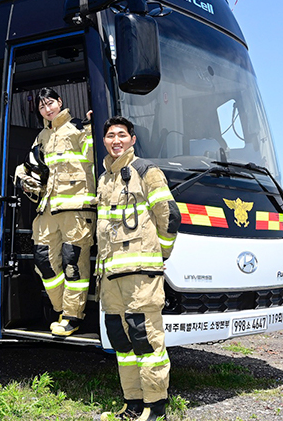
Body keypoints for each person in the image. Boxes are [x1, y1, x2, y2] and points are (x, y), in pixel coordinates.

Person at [97, 116, 181, 421]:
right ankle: (132, 405)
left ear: (132, 139)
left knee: (146, 340)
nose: (115, 140)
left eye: (121, 135)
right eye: (109, 136)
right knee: (121, 342)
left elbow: (169, 216)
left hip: (141, 275)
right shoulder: (104, 179)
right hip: (110, 278)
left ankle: (155, 407)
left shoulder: (147, 172)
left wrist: (161, 253)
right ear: (104, 141)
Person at [14, 88, 96, 336]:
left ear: (60, 102)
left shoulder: (80, 128)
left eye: (50, 103)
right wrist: (23, 178)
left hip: (76, 207)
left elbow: (96, 161)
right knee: (43, 261)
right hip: (48, 206)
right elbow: (30, 165)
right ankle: (62, 309)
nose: (47, 109)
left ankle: (72, 316)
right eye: (42, 107)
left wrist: (92, 128)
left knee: (74, 263)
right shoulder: (42, 136)